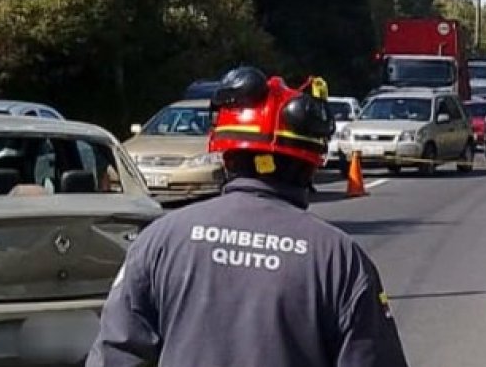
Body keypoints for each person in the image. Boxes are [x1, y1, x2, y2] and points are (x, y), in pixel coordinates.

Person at [86, 66, 409, 367]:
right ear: (311, 162)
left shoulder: (160, 240)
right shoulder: (338, 259)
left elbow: (116, 353)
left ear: (226, 154)